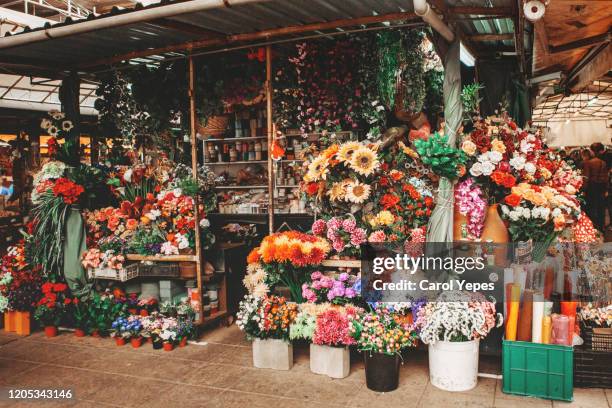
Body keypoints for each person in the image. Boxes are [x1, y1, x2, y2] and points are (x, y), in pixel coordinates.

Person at [582, 143, 608, 231]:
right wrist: (606, 190)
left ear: (593, 151)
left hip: (591, 187)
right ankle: (602, 226)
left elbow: (586, 178)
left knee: (591, 207)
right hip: (601, 187)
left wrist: (584, 190)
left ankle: (592, 227)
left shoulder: (588, 163)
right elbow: (605, 178)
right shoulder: (603, 163)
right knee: (601, 207)